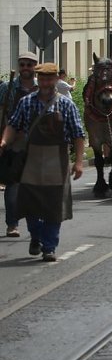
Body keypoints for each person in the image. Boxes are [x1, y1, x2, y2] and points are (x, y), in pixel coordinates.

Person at [0, 62, 85, 262]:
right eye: (43, 78)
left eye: (50, 78)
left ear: (56, 79)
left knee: (53, 206)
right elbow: (13, 125)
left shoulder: (66, 104)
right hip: (32, 158)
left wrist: (79, 162)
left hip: (58, 160)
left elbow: (78, 135)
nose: (46, 82)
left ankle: (49, 246)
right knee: (30, 203)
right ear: (39, 80)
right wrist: (4, 142)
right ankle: (36, 236)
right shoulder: (27, 102)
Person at [0, 51, 39, 238]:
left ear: (35, 67)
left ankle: (37, 227)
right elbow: (2, 114)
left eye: (29, 65)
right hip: (15, 143)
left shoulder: (43, 88)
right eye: (22, 64)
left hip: (39, 144)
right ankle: (12, 224)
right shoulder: (7, 88)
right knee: (13, 185)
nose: (25, 68)